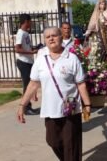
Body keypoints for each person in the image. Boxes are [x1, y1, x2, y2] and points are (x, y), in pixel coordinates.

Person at [17, 27, 91, 161]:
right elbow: (33, 84)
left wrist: (87, 104)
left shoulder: (72, 58)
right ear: (44, 40)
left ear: (61, 38)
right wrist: (22, 105)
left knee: (71, 145)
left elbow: (81, 84)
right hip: (50, 109)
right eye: (48, 37)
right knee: (53, 141)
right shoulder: (40, 60)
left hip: (71, 108)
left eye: (54, 35)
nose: (51, 38)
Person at [14, 14, 39, 115]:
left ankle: (28, 106)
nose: (31, 23)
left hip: (28, 61)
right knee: (27, 85)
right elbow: (17, 49)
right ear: (26, 21)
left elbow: (26, 46)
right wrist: (31, 53)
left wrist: (33, 48)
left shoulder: (26, 33)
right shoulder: (20, 33)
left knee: (30, 84)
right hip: (23, 62)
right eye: (30, 21)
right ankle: (26, 108)